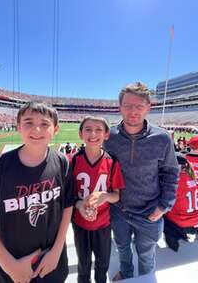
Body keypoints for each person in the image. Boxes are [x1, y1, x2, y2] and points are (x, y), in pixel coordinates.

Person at [0, 102, 74, 283]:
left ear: (56, 129)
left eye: (45, 124)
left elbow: (67, 206)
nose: (37, 129)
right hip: (8, 268)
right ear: (18, 127)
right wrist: (10, 266)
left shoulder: (62, 162)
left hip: (51, 262)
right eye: (29, 122)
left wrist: (56, 252)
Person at [104, 82, 179, 280]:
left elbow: (171, 172)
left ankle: (146, 279)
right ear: (119, 107)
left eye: (139, 106)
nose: (133, 111)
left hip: (150, 211)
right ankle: (127, 274)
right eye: (128, 106)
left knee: (146, 255)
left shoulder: (162, 138)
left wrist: (163, 206)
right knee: (122, 249)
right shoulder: (109, 136)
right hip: (119, 209)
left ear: (148, 107)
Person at [72, 116, 125, 283]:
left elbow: (117, 196)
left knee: (102, 265)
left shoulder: (112, 161)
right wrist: (80, 204)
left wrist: (105, 196)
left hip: (103, 223)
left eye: (98, 129)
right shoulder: (73, 160)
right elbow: (68, 195)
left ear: (106, 134)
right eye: (88, 129)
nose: (93, 133)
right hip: (80, 223)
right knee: (83, 265)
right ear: (81, 134)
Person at [164, 153, 198, 251]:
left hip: (182, 221)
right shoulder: (191, 176)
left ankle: (173, 241)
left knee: (159, 214)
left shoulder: (175, 180)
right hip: (196, 218)